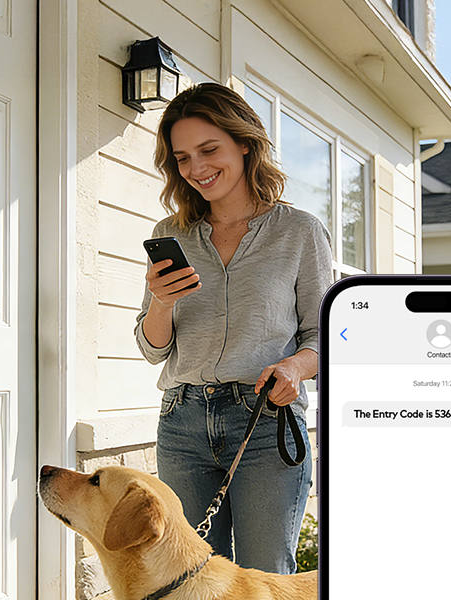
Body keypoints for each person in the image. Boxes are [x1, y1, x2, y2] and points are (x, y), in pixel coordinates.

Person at [134, 82, 330, 574]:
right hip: (182, 423)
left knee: (264, 576)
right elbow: (153, 348)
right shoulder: (169, 235)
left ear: (244, 143)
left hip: (265, 421)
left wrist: (295, 368)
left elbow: (328, 337)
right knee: (191, 578)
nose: (196, 168)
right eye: (182, 158)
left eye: (208, 149)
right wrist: (161, 303)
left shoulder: (299, 232)